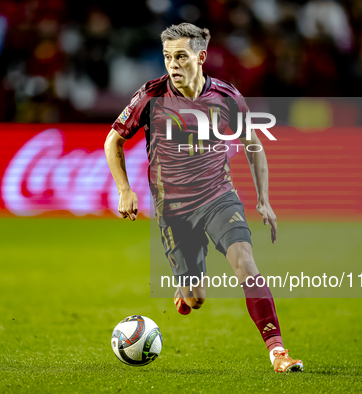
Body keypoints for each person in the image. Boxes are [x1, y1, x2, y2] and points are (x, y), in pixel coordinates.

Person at [104, 23, 303, 373]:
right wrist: (124, 189)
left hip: (218, 197)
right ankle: (186, 293)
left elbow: (253, 144)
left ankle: (278, 352)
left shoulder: (226, 96)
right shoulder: (151, 97)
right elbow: (113, 141)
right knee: (196, 299)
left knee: (246, 265)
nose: (173, 65)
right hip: (174, 210)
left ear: (201, 56)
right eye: (167, 57)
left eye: (180, 56)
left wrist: (263, 200)